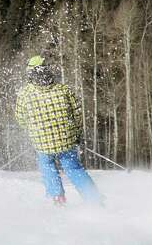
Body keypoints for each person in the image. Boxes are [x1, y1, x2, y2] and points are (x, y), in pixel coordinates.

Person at [15, 55, 101, 206]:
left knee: (46, 165)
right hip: (66, 139)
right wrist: (77, 134)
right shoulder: (63, 89)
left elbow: (21, 119)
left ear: (30, 75)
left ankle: (57, 197)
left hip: (42, 142)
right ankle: (93, 197)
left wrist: (34, 130)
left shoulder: (24, 94)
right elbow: (77, 113)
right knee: (73, 167)